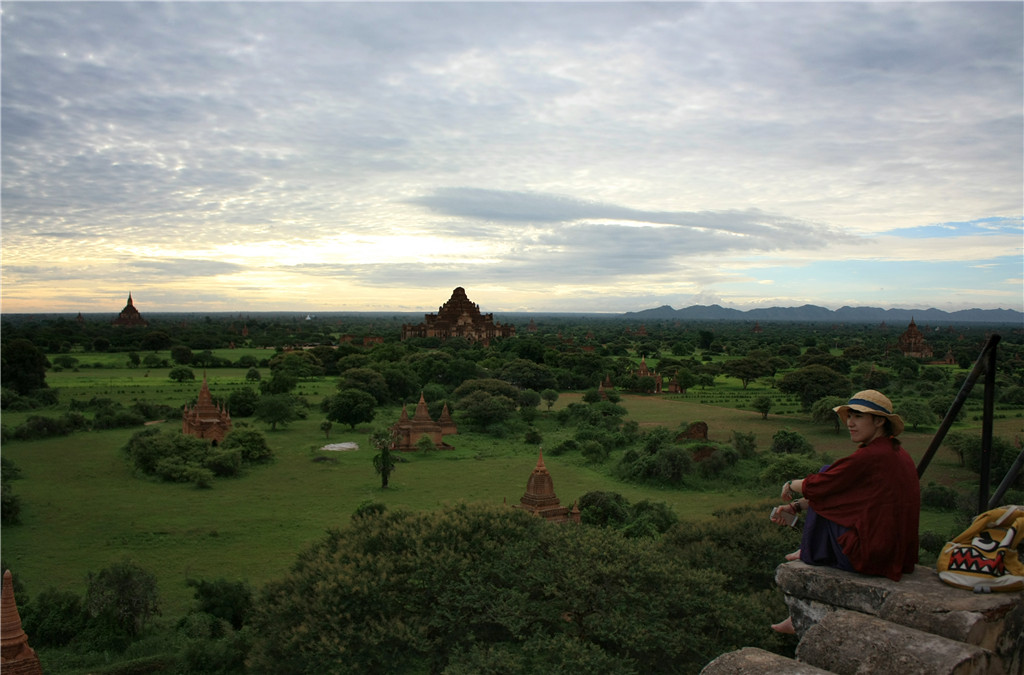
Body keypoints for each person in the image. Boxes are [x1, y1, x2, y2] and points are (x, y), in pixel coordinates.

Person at [769, 390, 920, 634]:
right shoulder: (893, 452)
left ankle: (808, 556)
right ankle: (807, 559)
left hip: (870, 556)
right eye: (849, 416)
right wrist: (797, 506)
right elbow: (845, 490)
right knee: (830, 477)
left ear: (879, 421)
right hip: (894, 553)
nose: (850, 423)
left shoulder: (872, 456)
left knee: (826, 474)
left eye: (858, 416)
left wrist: (789, 484)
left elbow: (819, 485)